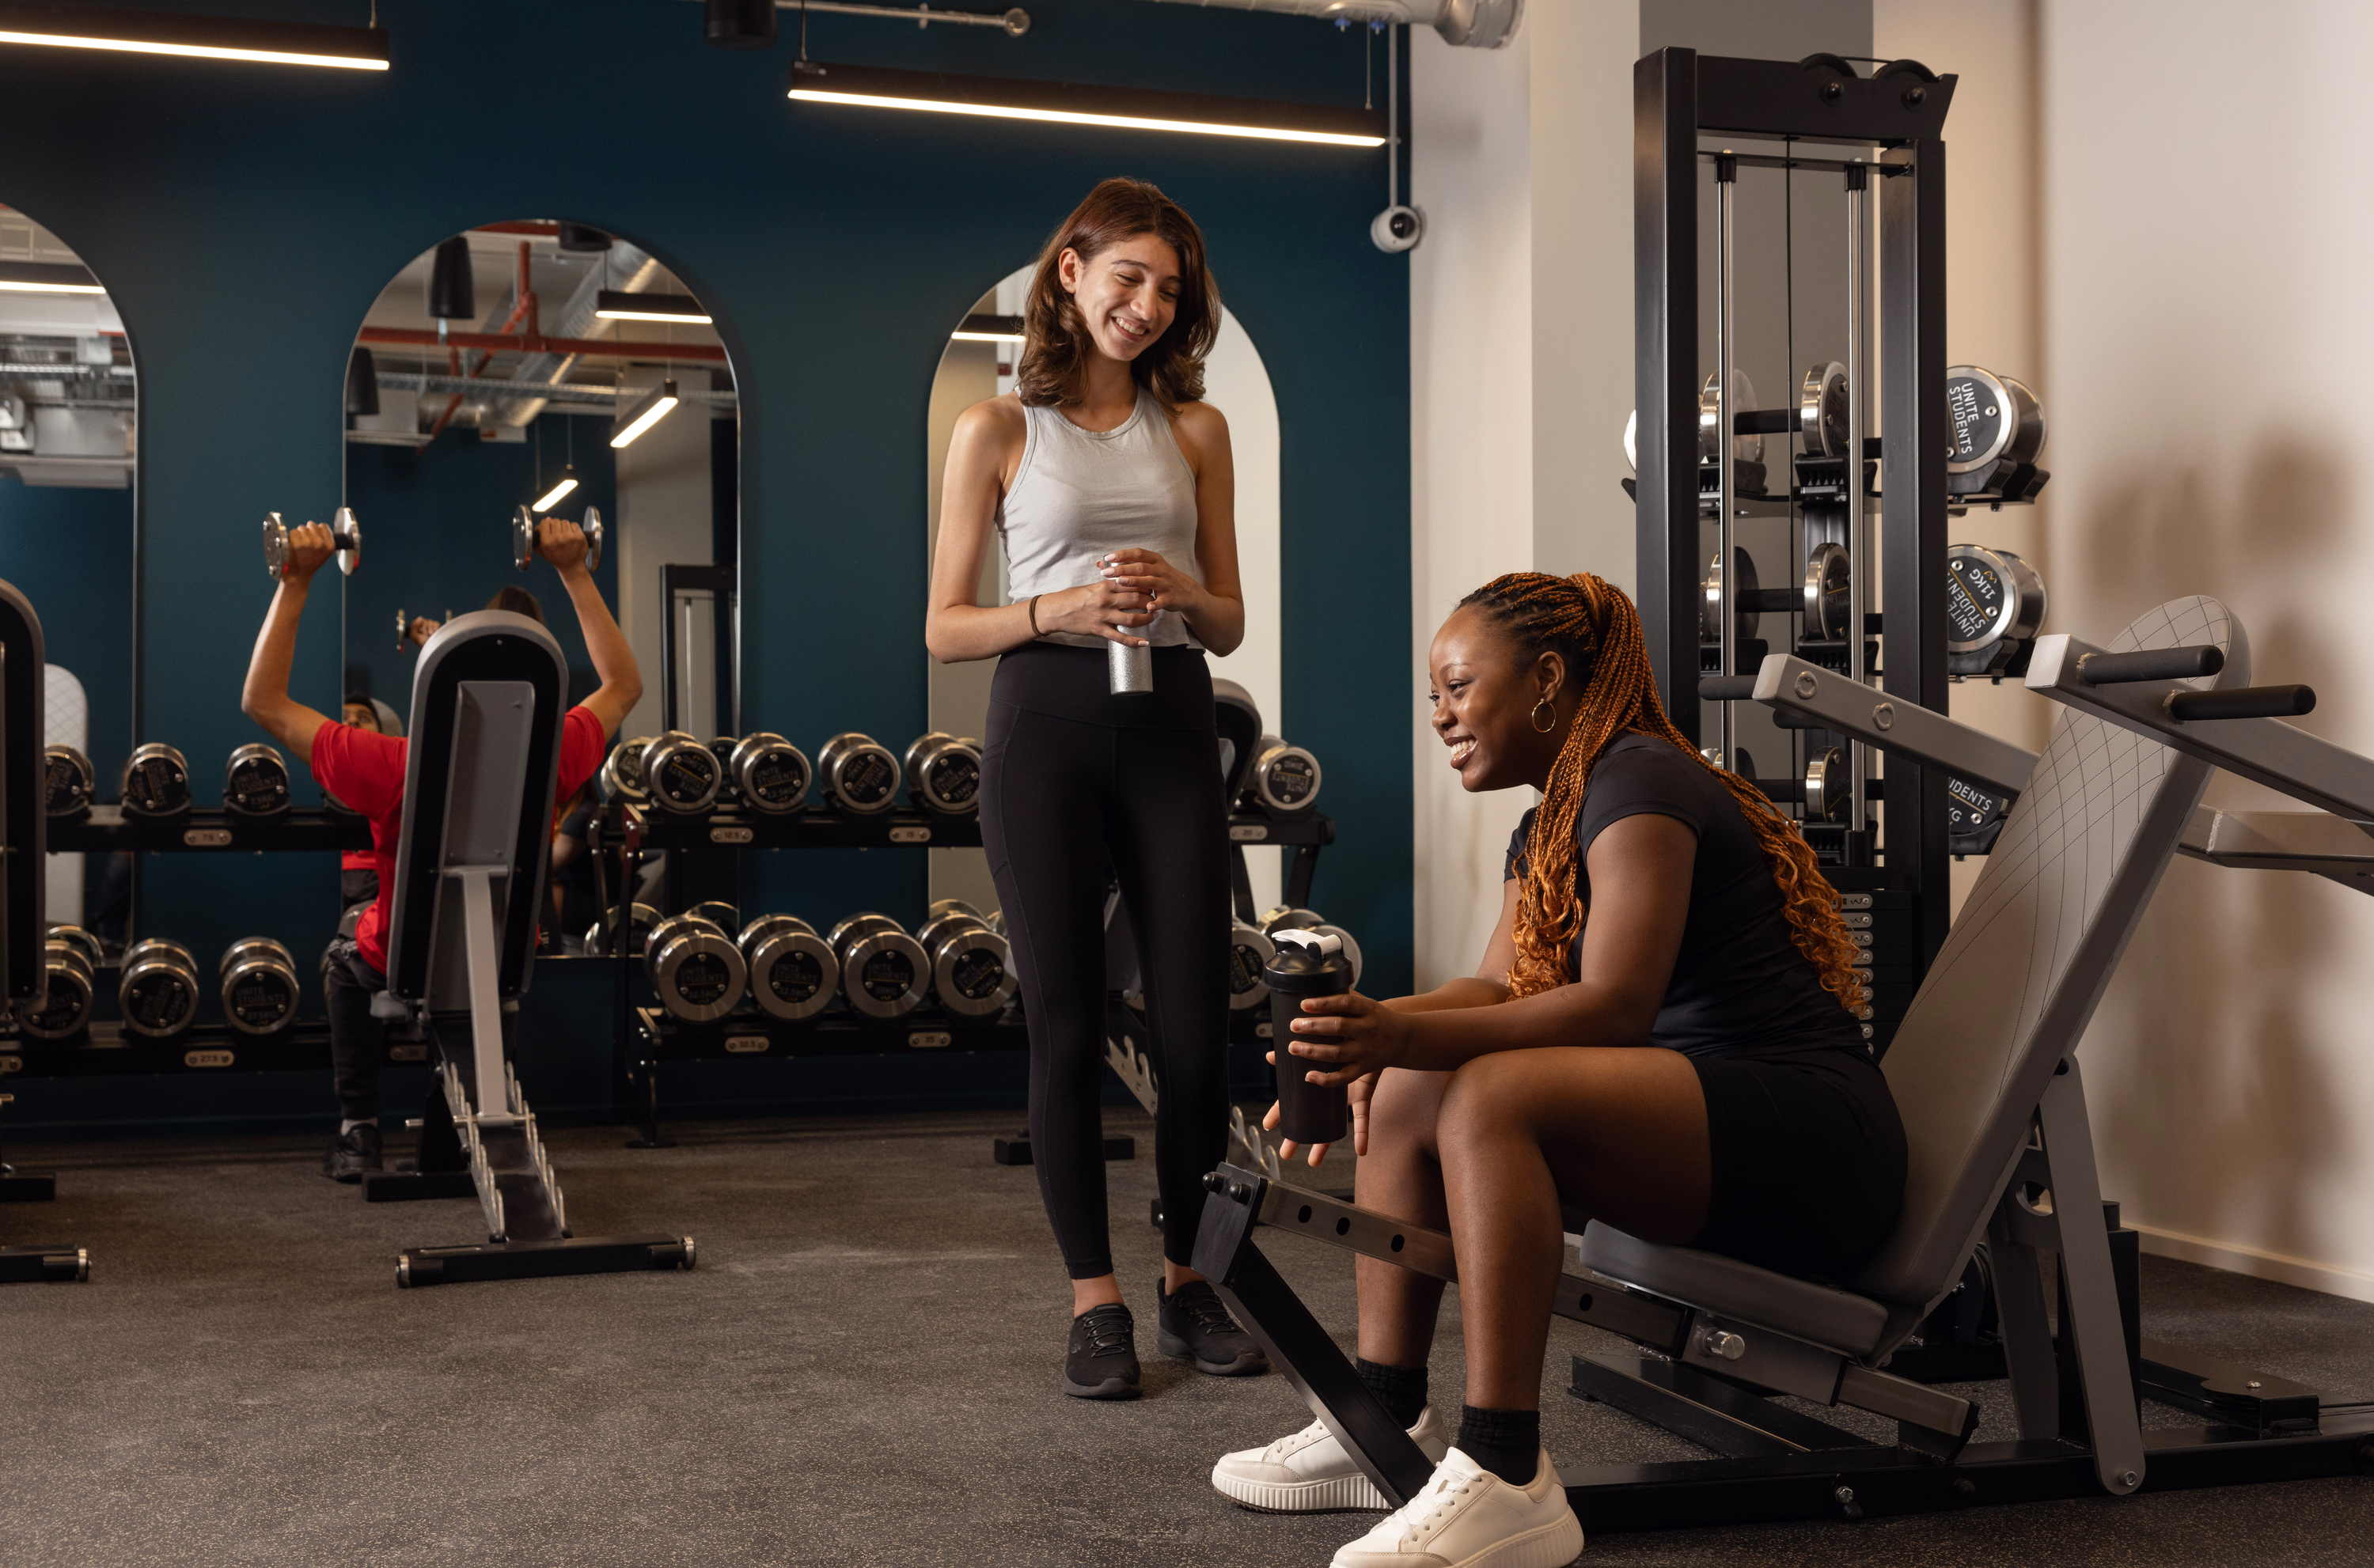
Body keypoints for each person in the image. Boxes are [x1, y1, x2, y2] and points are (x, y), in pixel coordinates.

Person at [1208, 572, 1904, 1568]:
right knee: (1414, 1083)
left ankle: (1506, 1469)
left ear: (1544, 679)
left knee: (1492, 1092)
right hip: (1695, 1123)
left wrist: (1396, 1036)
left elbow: (1616, 1005)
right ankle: (1384, 1416)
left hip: (1812, 1137)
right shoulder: (1550, 820)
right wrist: (1361, 1031)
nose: (1439, 712)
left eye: (1456, 683)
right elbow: (1495, 992)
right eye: (1433, 693)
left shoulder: (1642, 780)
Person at [927, 176, 1264, 1399]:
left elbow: (1230, 619)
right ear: (1069, 272)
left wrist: (1176, 591)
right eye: (1128, 276)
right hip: (1045, 722)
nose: (1148, 304)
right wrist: (1061, 603)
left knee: (1195, 1030)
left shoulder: (1198, 429)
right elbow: (945, 628)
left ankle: (1188, 1280)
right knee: (1067, 1022)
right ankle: (1095, 1300)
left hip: (1171, 719)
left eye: (1169, 288)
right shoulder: (999, 428)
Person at [241, 517, 640, 1183]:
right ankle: (452, 1130)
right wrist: (576, 570)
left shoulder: (392, 764)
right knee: (480, 987)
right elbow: (624, 686)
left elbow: (263, 701)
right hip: (505, 960)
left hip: (403, 958)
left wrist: (296, 581)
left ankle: (358, 1128)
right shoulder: (554, 754)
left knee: (345, 959)